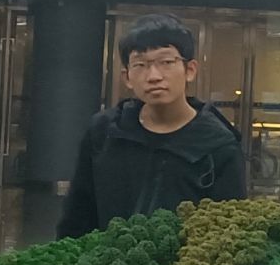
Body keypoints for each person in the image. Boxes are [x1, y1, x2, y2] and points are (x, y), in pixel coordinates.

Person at [58, 13, 247, 237]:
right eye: (140, 65)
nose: (154, 76)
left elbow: (229, 232)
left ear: (190, 70)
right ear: (127, 77)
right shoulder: (105, 132)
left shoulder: (218, 145)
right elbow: (77, 216)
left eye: (166, 62)